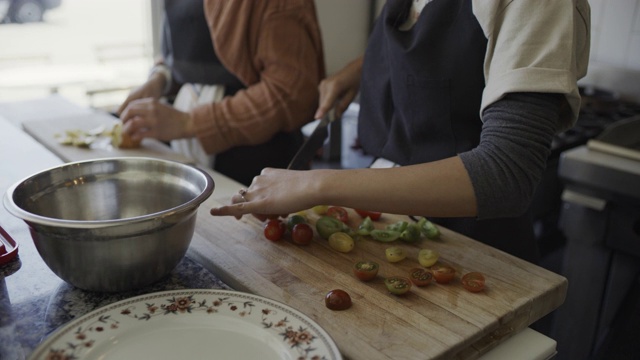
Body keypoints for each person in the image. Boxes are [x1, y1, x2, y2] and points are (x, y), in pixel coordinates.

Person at [210, 0, 591, 263]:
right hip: (394, 228)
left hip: (475, 250)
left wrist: (315, 185)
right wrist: (363, 69)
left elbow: (507, 172)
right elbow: (447, 42)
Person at [117, 0, 325, 185]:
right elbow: (191, 47)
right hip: (188, 161)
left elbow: (292, 93)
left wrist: (190, 123)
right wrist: (160, 78)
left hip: (256, 170)